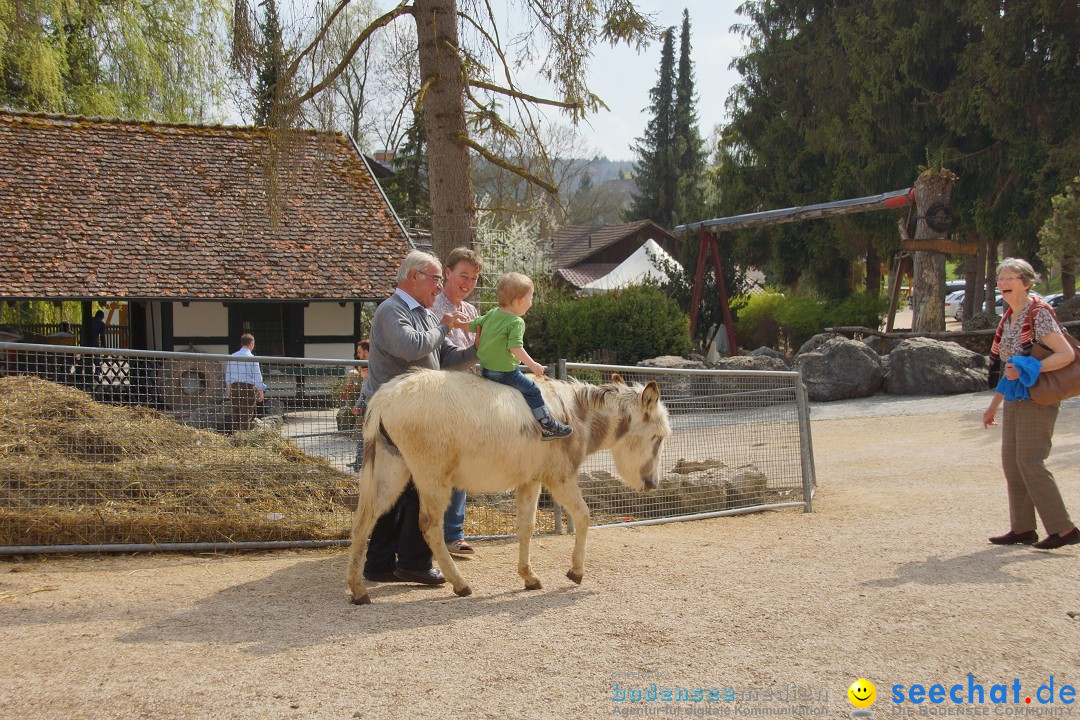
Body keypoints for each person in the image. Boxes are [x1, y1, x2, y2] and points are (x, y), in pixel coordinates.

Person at [359, 250, 476, 586]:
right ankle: (410, 562)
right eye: (436, 279)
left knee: (402, 488)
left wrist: (479, 346)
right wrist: (443, 325)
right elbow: (411, 347)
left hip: (415, 415)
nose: (440, 287)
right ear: (414, 277)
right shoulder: (390, 311)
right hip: (397, 414)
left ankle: (383, 563)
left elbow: (445, 356)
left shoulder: (422, 312)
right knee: (414, 488)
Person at [982, 258, 1078, 550]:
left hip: (1037, 396)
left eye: (1011, 277)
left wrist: (1029, 369)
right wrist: (994, 404)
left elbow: (1066, 355)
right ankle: (1023, 529)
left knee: (1030, 460)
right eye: (1001, 278)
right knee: (1012, 464)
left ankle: (1064, 530)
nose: (1004, 282)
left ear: (1026, 282)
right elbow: (1008, 367)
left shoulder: (1039, 313)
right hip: (1014, 395)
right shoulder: (1009, 316)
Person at [465, 271, 573, 440]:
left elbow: (472, 325)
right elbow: (515, 348)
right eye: (531, 297)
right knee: (533, 390)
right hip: (505, 373)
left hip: (486, 370)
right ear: (521, 301)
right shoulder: (516, 322)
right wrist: (533, 365)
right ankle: (548, 426)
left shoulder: (492, 313)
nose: (531, 302)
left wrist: (455, 323)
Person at [432, 247, 484, 556]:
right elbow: (448, 358)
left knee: (459, 466)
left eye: (474, 278)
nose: (468, 282)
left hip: (469, 398)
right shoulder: (435, 307)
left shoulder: (473, 311)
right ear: (447, 272)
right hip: (443, 396)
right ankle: (436, 533)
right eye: (463, 275)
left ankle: (452, 534)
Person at [225, 333, 266, 433]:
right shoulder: (252, 358)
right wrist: (261, 392)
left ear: (241, 343)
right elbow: (257, 377)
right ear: (252, 343)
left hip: (234, 387)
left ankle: (235, 436)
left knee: (235, 414)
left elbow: (228, 377)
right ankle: (243, 437)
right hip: (247, 388)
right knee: (246, 414)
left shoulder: (232, 357)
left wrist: (229, 391)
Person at [347, 339, 370, 472]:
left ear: (366, 352)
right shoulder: (365, 366)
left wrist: (358, 404)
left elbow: (366, 389)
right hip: (366, 405)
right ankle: (359, 461)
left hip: (370, 405)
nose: (358, 355)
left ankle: (360, 464)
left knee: (364, 436)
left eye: (359, 352)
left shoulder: (371, 366)